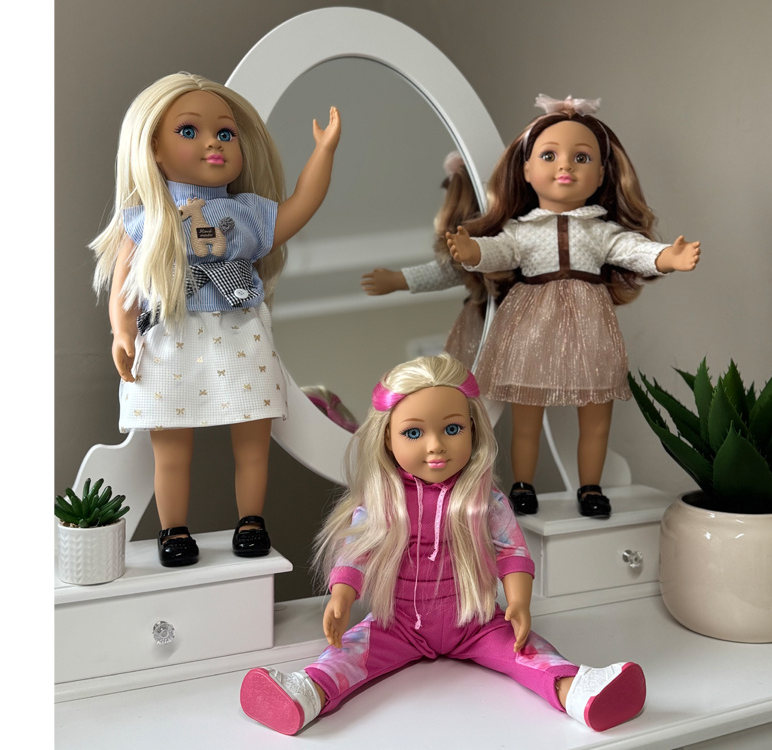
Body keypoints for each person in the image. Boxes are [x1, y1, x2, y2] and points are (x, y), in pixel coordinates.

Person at [239, 354, 646, 735]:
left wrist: (519, 603)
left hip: (476, 622)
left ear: (473, 430)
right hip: (397, 624)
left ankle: (578, 691)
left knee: (527, 653)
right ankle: (306, 694)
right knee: (349, 654)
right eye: (413, 433)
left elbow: (512, 552)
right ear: (387, 439)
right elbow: (357, 551)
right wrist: (342, 597)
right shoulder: (383, 500)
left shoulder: (483, 499)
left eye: (452, 429)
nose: (435, 446)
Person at [90, 72, 340, 566]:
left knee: (253, 442)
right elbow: (126, 282)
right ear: (153, 147)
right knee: (170, 449)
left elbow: (300, 207)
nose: (213, 143)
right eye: (189, 131)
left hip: (238, 333)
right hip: (170, 335)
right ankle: (173, 530)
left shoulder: (248, 213)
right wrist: (121, 331)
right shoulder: (147, 216)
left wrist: (324, 152)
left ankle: (251, 521)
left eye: (225, 132)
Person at [446, 95, 700, 518]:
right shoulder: (522, 231)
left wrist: (666, 257)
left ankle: (591, 488)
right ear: (526, 170)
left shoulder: (600, 231)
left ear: (600, 174)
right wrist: (473, 251)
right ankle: (523, 485)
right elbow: (499, 251)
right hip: (529, 328)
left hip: (589, 329)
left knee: (596, 418)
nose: (565, 166)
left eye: (581, 157)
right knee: (527, 418)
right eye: (549, 155)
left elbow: (632, 249)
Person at [360, 152, 509, 371]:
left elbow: (448, 271)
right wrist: (399, 280)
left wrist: (399, 280)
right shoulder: (465, 261)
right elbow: (449, 270)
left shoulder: (507, 237)